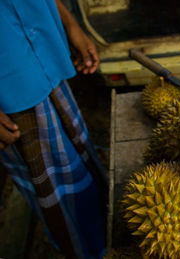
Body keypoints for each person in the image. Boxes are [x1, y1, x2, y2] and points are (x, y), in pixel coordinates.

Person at [0, 0, 108, 258]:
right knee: (57, 196)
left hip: (45, 52)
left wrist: (70, 23)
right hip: (10, 92)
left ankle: (105, 240)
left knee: (82, 159)